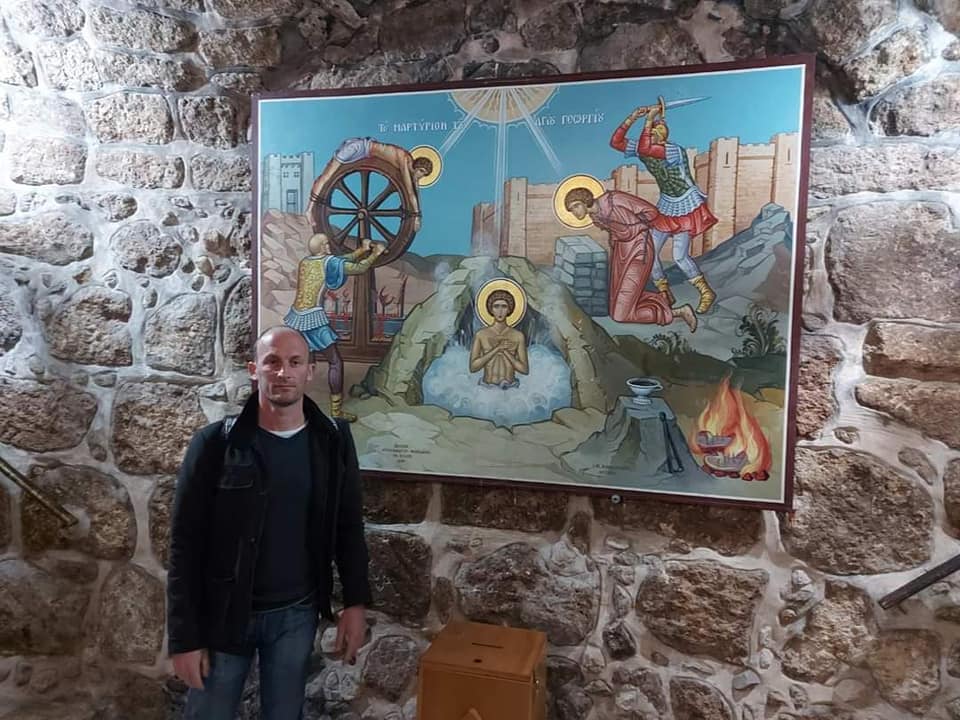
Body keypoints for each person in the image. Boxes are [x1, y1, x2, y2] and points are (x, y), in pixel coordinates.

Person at [167, 325, 372, 720]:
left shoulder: (332, 441)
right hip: (224, 615)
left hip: (296, 613)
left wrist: (355, 603)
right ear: (253, 369)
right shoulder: (215, 444)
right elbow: (185, 545)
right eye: (272, 362)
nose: (283, 372)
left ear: (309, 371)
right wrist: (184, 639)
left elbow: (348, 526)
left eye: (294, 362)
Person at [610, 98, 718, 313]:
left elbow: (645, 147)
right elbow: (616, 142)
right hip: (667, 205)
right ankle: (664, 291)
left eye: (655, 132)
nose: (652, 134)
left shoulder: (673, 151)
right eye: (651, 132)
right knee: (649, 251)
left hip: (686, 206)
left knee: (679, 256)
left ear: (662, 136)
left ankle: (706, 292)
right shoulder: (645, 149)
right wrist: (632, 117)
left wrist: (649, 119)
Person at [564, 186, 697, 332]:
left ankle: (678, 312)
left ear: (585, 200)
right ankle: (662, 300)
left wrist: (638, 227)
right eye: (571, 210)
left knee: (620, 315)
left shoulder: (614, 199)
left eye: (576, 206)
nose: (575, 212)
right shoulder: (596, 217)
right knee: (616, 307)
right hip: (621, 255)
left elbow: (651, 211)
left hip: (639, 251)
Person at [284, 233, 385, 422]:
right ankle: (336, 412)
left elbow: (338, 261)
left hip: (296, 318)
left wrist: (361, 250)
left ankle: (292, 409)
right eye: (325, 243)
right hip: (312, 319)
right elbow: (359, 268)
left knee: (303, 364)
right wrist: (375, 253)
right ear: (321, 247)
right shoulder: (329, 262)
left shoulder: (306, 262)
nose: (328, 245)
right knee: (335, 362)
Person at [306, 137, 433, 232]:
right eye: (421, 171)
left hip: (365, 149)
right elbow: (409, 192)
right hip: (357, 148)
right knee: (327, 176)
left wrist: (418, 214)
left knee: (327, 176)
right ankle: (309, 210)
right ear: (416, 166)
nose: (421, 175)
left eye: (424, 174)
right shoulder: (405, 161)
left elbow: (415, 190)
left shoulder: (411, 167)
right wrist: (416, 216)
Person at [469, 289, 529, 388]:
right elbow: (473, 367)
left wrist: (505, 352)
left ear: (509, 309)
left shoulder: (518, 336)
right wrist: (497, 349)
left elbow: (524, 370)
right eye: (496, 306)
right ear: (491, 309)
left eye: (504, 306)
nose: (500, 311)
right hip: (486, 388)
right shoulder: (481, 335)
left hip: (511, 389)